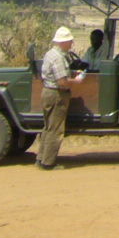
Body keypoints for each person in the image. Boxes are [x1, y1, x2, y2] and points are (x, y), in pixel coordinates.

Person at [37, 26, 85, 169]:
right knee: (56, 129)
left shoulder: (50, 54)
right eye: (69, 41)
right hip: (56, 94)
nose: (71, 44)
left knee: (48, 127)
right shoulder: (58, 58)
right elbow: (62, 82)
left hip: (48, 91)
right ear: (63, 42)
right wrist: (76, 81)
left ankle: (41, 158)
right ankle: (48, 162)